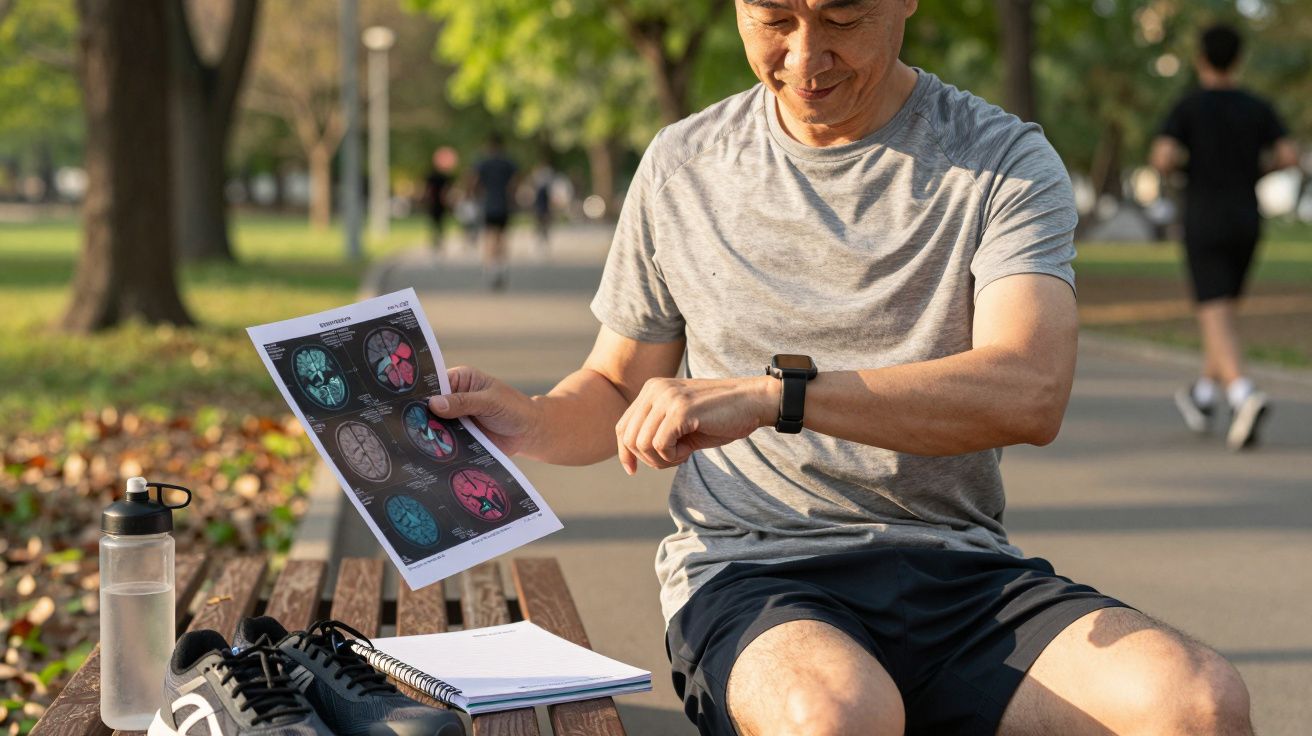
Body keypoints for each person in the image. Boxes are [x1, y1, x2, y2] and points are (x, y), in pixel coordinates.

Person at [429, 2, 1253, 734]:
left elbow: (1030, 389)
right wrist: (528, 417)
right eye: (773, 19)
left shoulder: (1002, 160)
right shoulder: (683, 166)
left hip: (961, 573)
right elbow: (616, 386)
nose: (805, 55)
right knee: (837, 716)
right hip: (754, 574)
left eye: (844, 19)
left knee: (1198, 703)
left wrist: (775, 397)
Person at [1151, 23, 1300, 451]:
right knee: (1223, 312)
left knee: (1213, 310)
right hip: (1246, 219)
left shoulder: (1189, 106)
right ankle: (1202, 395)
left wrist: (1184, 169)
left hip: (1204, 216)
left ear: (1200, 58)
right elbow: (1288, 156)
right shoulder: (1257, 106)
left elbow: (1162, 157)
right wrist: (1256, 170)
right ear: (1238, 59)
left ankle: (1243, 393)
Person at [472, 134, 518, 290]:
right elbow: (514, 184)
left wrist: (476, 195)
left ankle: (490, 269)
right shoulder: (508, 164)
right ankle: (501, 268)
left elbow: (474, 182)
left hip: (489, 205)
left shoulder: (483, 163)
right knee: (502, 237)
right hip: (503, 205)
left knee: (489, 236)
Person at [422, 146, 459, 252]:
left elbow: (427, 190)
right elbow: (449, 190)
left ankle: (436, 242)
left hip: (434, 203)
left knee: (435, 224)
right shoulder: (444, 177)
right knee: (440, 224)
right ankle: (439, 242)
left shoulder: (432, 176)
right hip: (440, 204)